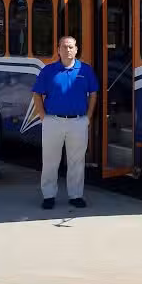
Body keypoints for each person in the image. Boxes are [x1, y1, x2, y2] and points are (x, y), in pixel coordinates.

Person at [31, 35, 99, 209]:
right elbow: (37, 94)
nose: (67, 50)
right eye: (64, 47)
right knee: (50, 160)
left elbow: (93, 94)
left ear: (76, 50)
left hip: (78, 122)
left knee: (77, 161)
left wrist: (88, 117)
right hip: (53, 121)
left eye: (71, 47)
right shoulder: (48, 71)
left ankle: (76, 195)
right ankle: (48, 196)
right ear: (58, 50)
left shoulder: (86, 70)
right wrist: (43, 117)